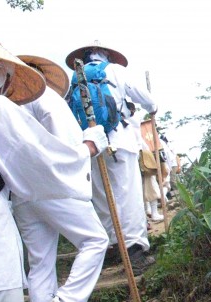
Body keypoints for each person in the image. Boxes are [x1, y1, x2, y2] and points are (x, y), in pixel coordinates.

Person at [0, 39, 108, 302]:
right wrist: (87, 148)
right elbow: (57, 144)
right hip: (50, 185)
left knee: (41, 263)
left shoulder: (8, 105)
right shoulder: (3, 104)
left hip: (19, 195)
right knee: (95, 240)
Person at [65, 40, 158, 275]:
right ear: (105, 54)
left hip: (91, 144)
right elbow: (144, 97)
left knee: (102, 197)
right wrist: (153, 107)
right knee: (128, 196)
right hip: (120, 141)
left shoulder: (75, 78)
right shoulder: (116, 71)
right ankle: (134, 252)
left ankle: (111, 248)